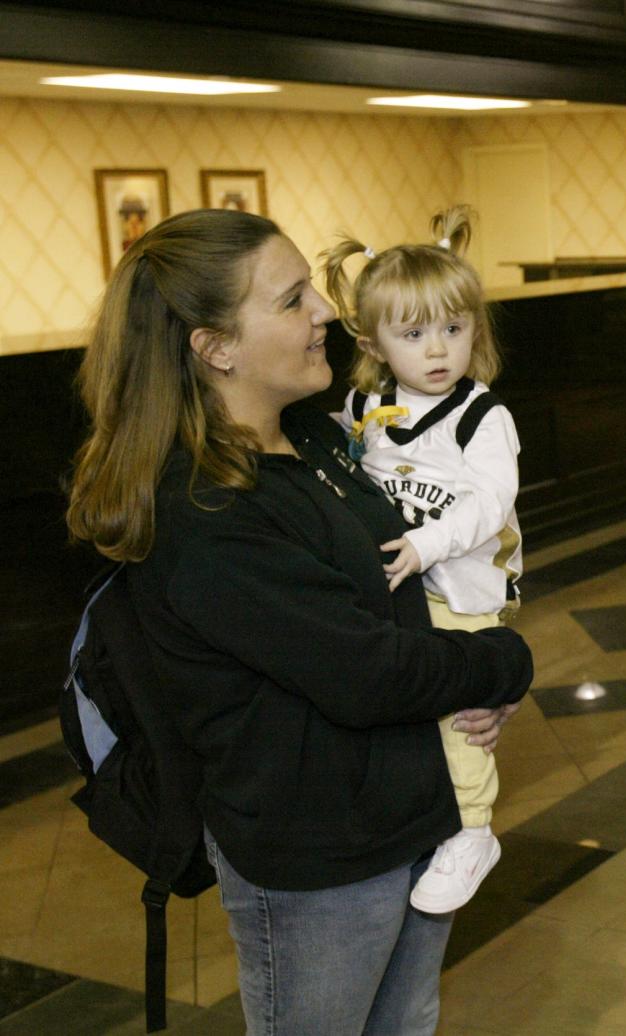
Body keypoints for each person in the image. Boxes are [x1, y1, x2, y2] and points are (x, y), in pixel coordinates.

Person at [66, 208, 532, 1035]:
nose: (324, 310)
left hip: (410, 810)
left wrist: (458, 660)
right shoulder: (208, 511)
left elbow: (393, 600)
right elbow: (365, 672)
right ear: (215, 347)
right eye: (291, 300)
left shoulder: (313, 439)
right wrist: (500, 663)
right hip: (320, 855)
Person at [321, 206, 521, 915]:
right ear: (373, 342)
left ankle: (473, 829)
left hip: (459, 593)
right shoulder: (363, 405)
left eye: (453, 329)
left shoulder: (481, 417)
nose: (437, 350)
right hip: (394, 596)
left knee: (462, 714)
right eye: (412, 334)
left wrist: (423, 545)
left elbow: (489, 505)